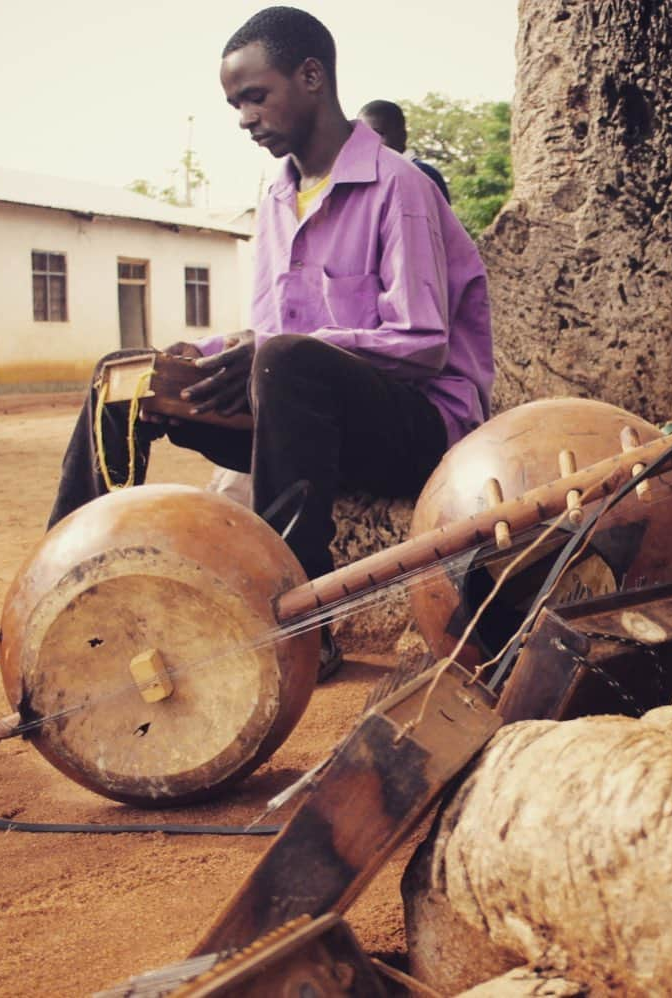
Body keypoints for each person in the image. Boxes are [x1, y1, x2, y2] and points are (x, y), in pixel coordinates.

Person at [49, 7, 493, 674]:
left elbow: (423, 344)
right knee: (127, 374)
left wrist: (271, 351)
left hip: (420, 427)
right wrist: (199, 359)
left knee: (284, 360)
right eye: (234, 104)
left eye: (256, 96)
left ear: (311, 76)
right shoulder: (277, 200)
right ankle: (63, 595)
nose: (244, 117)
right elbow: (268, 334)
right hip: (305, 421)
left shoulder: (399, 188)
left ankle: (304, 621)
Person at [358, 99, 451, 203]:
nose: (370, 143)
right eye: (364, 136)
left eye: (378, 134)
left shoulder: (420, 173)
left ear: (402, 136)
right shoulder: (365, 179)